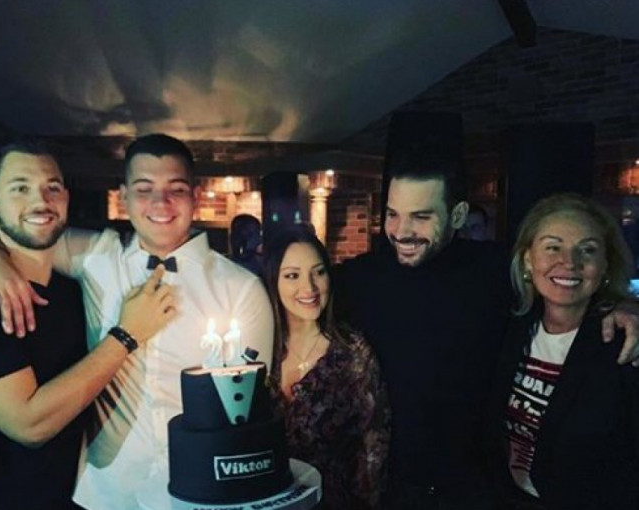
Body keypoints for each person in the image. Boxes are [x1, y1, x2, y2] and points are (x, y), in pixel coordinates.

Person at [0, 134, 274, 510]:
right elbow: (5, 219)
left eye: (176, 189)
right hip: (106, 492)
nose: (160, 202)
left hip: (202, 490)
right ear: (123, 197)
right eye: (144, 189)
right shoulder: (95, 255)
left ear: (195, 196)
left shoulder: (241, 288)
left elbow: (247, 409)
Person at [334, 141, 639, 510]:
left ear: (458, 214)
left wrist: (624, 306)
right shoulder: (362, 278)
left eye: (421, 216)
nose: (402, 230)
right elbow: (303, 292)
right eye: (392, 214)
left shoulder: (496, 271)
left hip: (479, 489)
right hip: (396, 488)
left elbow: (563, 283)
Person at [0, 140, 174, 510]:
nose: (40, 201)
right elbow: (30, 424)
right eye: (20, 188)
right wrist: (127, 334)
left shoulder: (75, 289)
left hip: (81, 499)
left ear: (66, 198)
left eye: (52, 188)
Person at [489, 193, 639, 510]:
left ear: (606, 265)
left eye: (588, 250)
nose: (570, 262)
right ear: (528, 260)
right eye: (553, 247)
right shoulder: (509, 327)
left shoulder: (625, 344)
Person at [262, 226, 389, 509]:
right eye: (292, 275)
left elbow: (374, 445)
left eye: (318, 272)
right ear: (273, 281)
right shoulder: (259, 349)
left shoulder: (352, 352)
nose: (309, 287)